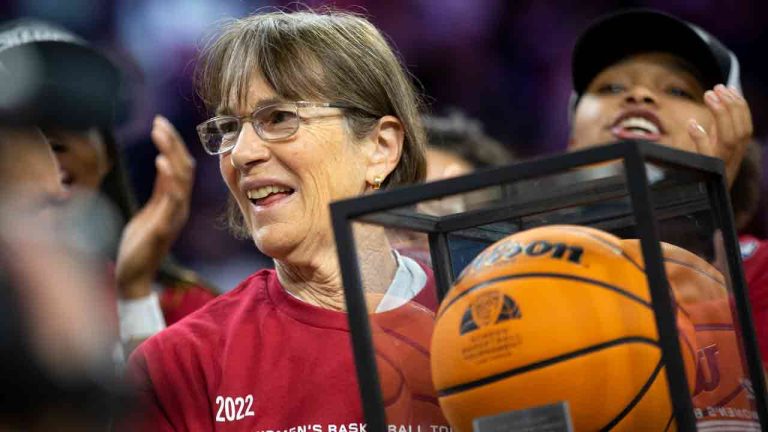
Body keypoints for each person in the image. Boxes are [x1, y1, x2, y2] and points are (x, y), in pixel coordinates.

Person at [124, 9, 449, 431]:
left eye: (278, 118)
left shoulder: (481, 317)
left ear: (381, 148)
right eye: (229, 127)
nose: (241, 153)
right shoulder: (181, 364)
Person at [567, 9, 761, 428]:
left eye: (678, 89)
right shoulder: (517, 265)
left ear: (731, 128)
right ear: (572, 142)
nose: (638, 96)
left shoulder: (762, 269)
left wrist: (699, 209)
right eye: (611, 86)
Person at [0, 19, 218, 352]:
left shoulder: (189, 312)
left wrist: (136, 297)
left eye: (72, 119)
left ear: (108, 154)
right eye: (23, 131)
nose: (48, 150)